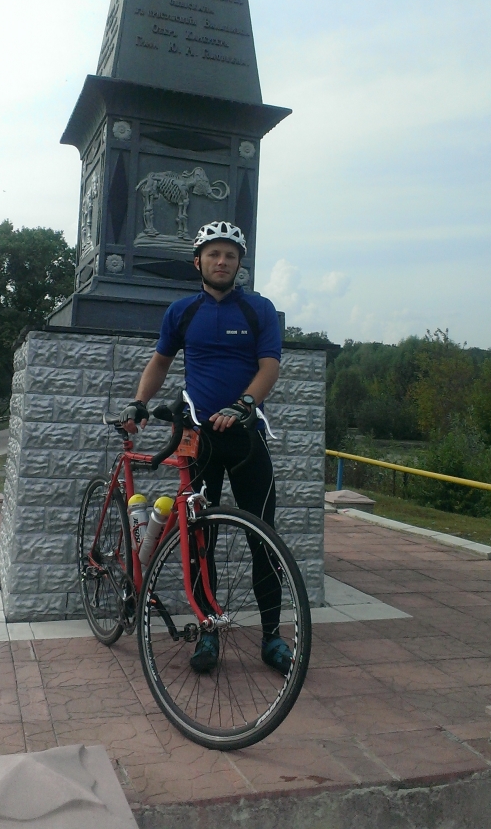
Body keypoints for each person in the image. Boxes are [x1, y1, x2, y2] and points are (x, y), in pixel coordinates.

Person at [120, 220, 292, 675]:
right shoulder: (183, 312)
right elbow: (160, 362)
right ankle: (208, 633)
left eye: (230, 256)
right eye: (214, 254)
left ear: (239, 264)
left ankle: (272, 637)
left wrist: (244, 404)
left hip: (246, 438)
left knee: (264, 538)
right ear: (198, 262)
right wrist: (139, 402)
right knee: (200, 540)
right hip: (198, 440)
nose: (222, 262)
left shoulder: (258, 309)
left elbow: (270, 366)